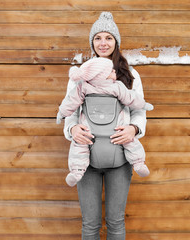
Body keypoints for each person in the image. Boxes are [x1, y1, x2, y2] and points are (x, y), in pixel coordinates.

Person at [63, 12, 148, 239]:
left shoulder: (130, 75)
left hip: (120, 157)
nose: (103, 43)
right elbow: (70, 110)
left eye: (108, 38)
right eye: (98, 38)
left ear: (116, 42)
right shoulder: (82, 74)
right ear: (92, 42)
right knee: (90, 224)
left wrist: (134, 129)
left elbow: (139, 110)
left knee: (116, 222)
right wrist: (72, 129)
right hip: (86, 157)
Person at [57, 57, 153, 187]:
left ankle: (77, 171)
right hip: (100, 130)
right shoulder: (107, 86)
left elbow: (70, 102)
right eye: (111, 71)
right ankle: (138, 163)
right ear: (102, 75)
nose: (115, 72)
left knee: (125, 138)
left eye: (108, 38)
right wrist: (143, 105)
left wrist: (61, 113)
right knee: (81, 142)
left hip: (108, 131)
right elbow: (131, 99)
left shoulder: (87, 87)